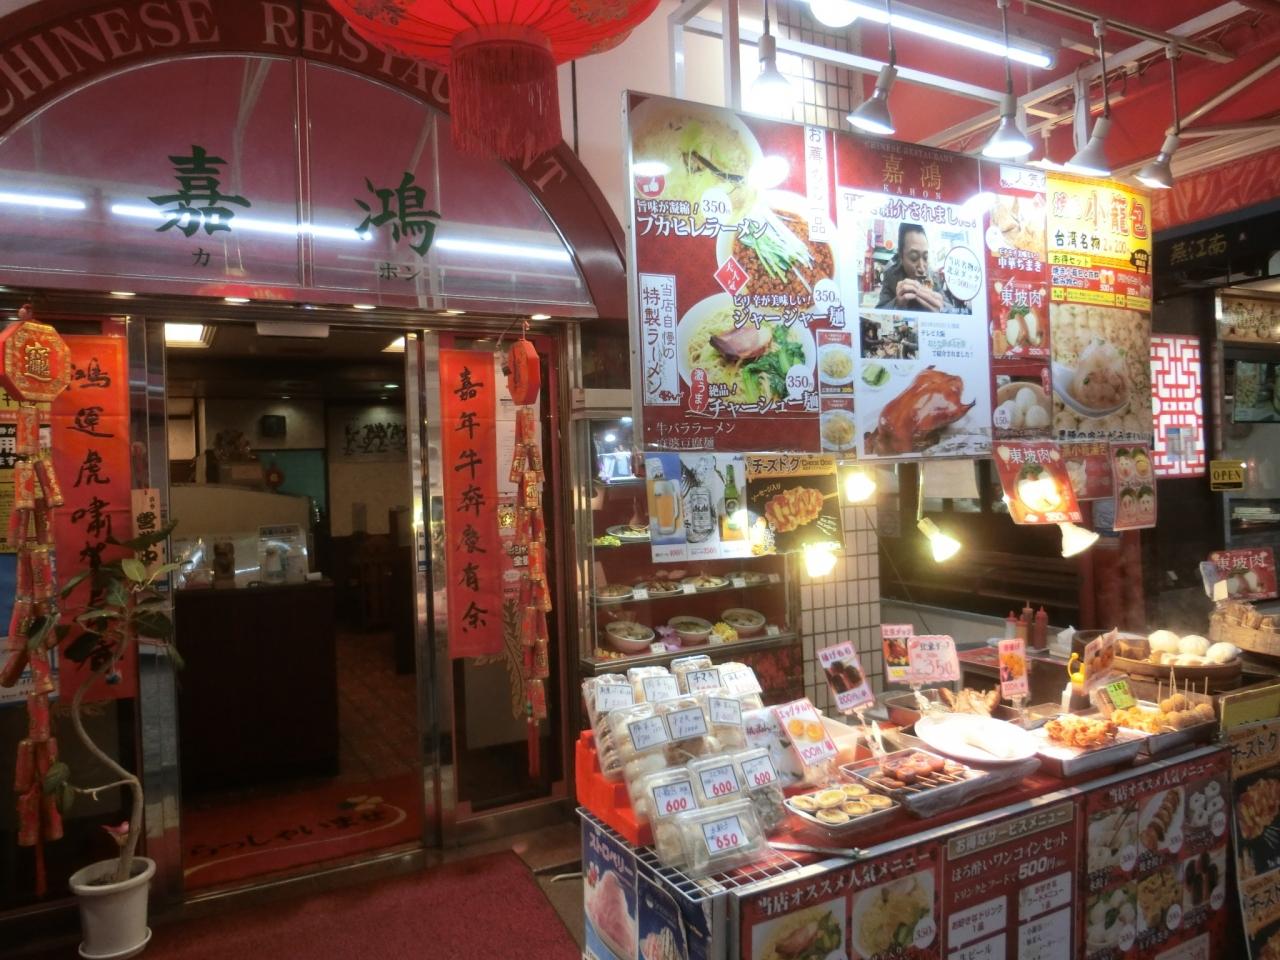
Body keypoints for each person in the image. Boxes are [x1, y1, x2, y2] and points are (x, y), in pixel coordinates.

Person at [877, 223, 970, 314]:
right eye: (913, 257)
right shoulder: (890, 275)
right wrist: (897, 304)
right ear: (901, 256)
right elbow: (879, 311)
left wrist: (943, 309)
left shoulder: (932, 276)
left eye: (925, 258)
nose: (922, 268)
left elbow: (950, 309)